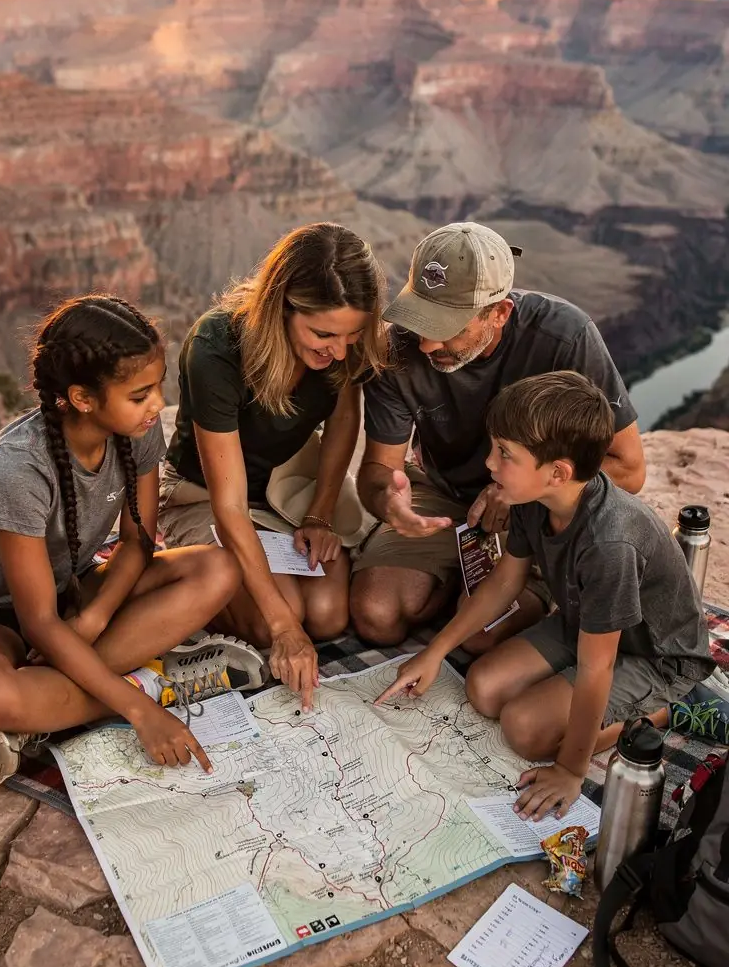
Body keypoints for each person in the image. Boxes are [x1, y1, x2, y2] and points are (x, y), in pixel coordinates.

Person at [0, 295, 242, 788]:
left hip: (73, 590)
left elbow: (137, 542)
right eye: (140, 395)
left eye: (158, 387)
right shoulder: (18, 468)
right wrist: (140, 711)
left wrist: (91, 618)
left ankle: (34, 716)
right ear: (83, 398)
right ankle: (149, 683)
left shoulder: (137, 431)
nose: (157, 405)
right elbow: (37, 622)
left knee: (217, 569)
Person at [376, 372, 713, 819]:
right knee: (484, 688)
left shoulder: (610, 544)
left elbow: (598, 665)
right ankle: (576, 697)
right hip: (583, 625)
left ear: (558, 472)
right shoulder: (533, 499)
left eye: (505, 454)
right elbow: (504, 582)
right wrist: (435, 652)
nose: (491, 464)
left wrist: (571, 770)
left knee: (526, 730)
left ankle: (670, 708)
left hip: (652, 654)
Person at [352, 222, 646, 649]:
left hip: (537, 508)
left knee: (480, 634)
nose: (427, 345)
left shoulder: (565, 339)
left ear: (500, 313)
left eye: (447, 327)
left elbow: (629, 470)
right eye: (419, 319)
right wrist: (387, 501)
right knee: (377, 616)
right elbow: (379, 469)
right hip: (443, 496)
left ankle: (501, 590)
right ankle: (461, 582)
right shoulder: (398, 350)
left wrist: (521, 491)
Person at [159, 223, 387, 712]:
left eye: (352, 336)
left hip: (285, 490)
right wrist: (284, 629)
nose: (339, 352)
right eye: (323, 334)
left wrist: (321, 513)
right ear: (281, 305)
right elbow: (229, 506)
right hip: (205, 495)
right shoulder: (217, 347)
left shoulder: (341, 348)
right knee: (277, 621)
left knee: (326, 617)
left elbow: (345, 415)